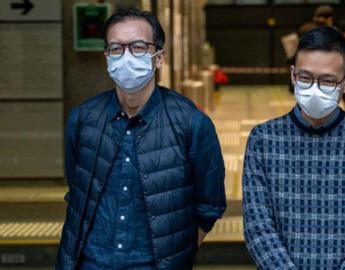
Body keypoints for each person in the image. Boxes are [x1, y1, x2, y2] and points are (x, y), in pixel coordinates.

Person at [56, 8, 226, 270]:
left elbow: (209, 205)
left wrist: (176, 254)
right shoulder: (82, 120)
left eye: (138, 47)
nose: (126, 56)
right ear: (107, 56)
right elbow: (77, 191)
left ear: (159, 58)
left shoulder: (192, 124)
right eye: (116, 48)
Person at [243, 27, 345, 269]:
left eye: (327, 81)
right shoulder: (263, 140)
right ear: (293, 75)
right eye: (305, 77)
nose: (314, 88)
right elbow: (258, 227)